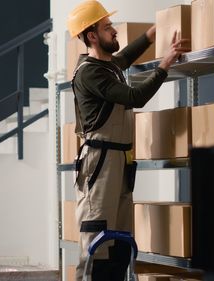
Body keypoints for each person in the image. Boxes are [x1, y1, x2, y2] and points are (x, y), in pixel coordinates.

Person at [67, 1, 190, 280]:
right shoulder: (90, 71)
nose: (113, 31)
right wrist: (165, 64)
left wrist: (153, 32)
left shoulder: (108, 65)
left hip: (120, 157)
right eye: (107, 27)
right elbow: (136, 97)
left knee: (120, 235)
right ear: (92, 36)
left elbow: (124, 57)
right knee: (98, 236)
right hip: (100, 160)